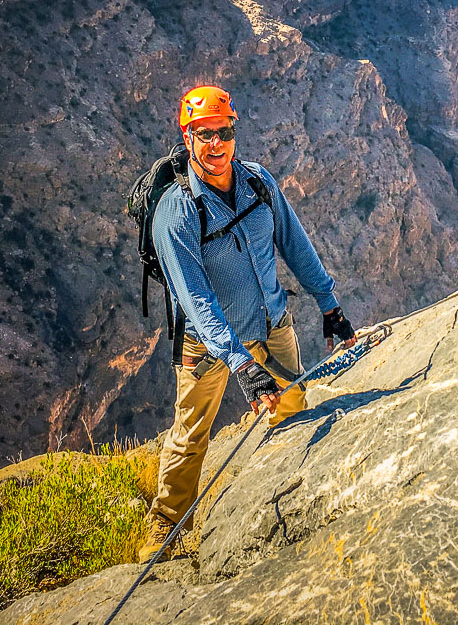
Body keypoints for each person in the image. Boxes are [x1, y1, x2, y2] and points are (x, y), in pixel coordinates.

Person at [139, 85, 356, 562]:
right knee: (191, 434)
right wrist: (240, 361)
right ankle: (165, 530)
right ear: (187, 137)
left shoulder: (258, 182)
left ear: (234, 132)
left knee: (294, 408)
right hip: (209, 347)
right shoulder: (175, 213)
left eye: (223, 133)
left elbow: (294, 244)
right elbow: (195, 301)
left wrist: (329, 304)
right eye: (203, 135)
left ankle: (289, 493)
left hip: (273, 324)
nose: (215, 145)